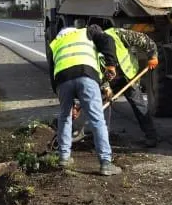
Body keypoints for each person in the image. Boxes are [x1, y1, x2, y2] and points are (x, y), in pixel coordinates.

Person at [48, 26, 122, 176]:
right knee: (97, 119)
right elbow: (107, 40)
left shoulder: (55, 44)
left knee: (64, 117)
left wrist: (69, 103)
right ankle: (105, 163)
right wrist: (111, 65)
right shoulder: (87, 32)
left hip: (62, 81)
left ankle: (63, 156)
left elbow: (52, 75)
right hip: (86, 75)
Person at [87, 24, 160, 147]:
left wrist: (153, 55)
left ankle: (151, 136)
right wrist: (106, 87)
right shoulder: (91, 49)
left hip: (128, 76)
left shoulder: (118, 34)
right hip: (110, 80)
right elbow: (96, 71)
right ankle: (101, 138)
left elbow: (145, 40)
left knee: (139, 105)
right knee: (100, 104)